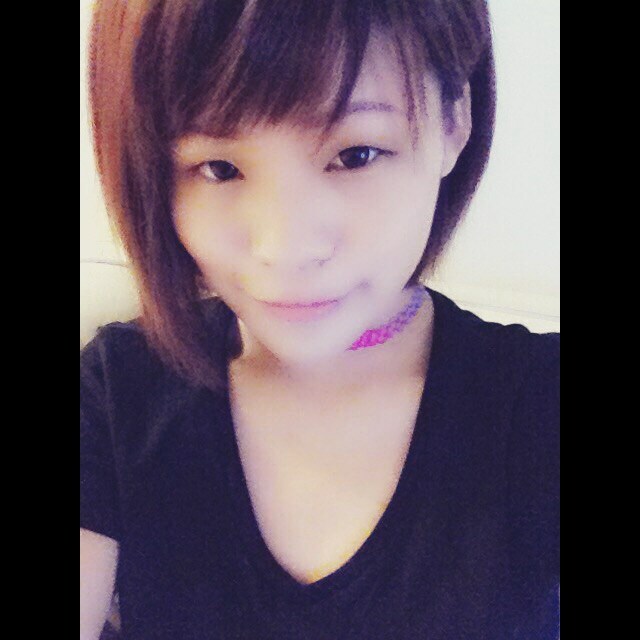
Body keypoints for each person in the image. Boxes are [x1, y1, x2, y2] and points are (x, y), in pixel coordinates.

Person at [80, 1, 559, 638]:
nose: (286, 248)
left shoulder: (540, 404)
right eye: (219, 169)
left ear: (454, 120)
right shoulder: (118, 393)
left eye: (356, 154)